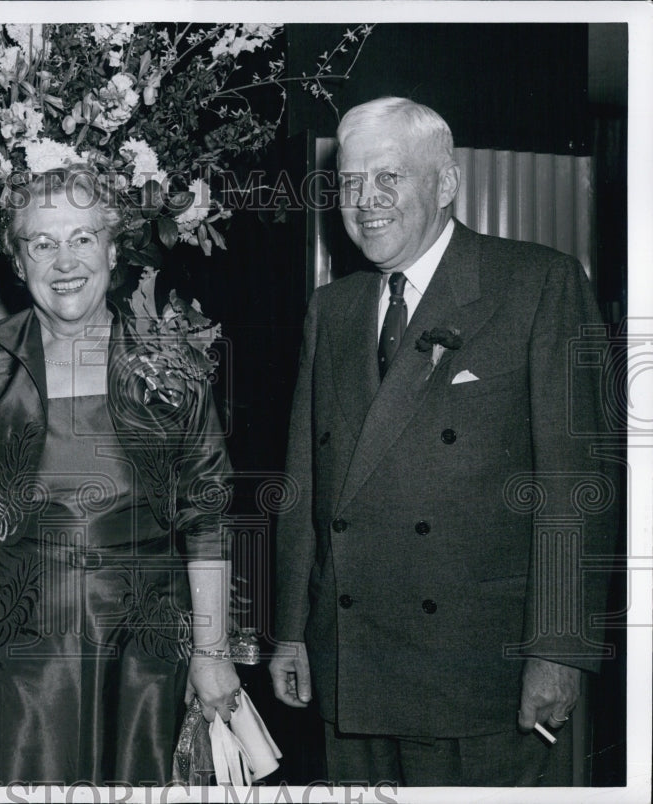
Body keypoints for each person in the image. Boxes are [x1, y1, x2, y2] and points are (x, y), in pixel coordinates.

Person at [269, 97, 617, 786]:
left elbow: (576, 484)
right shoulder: (332, 310)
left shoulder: (536, 284)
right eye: (349, 182)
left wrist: (560, 652)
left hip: (480, 669)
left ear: (446, 184)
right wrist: (290, 628)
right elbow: (305, 478)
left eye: (388, 178)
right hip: (353, 662)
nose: (364, 201)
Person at [0, 166, 241, 784]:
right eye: (43, 243)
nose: (64, 262)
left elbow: (207, 516)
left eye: (82, 239)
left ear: (113, 250)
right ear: (18, 258)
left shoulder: (169, 362)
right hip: (17, 657)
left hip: (143, 655)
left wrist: (213, 653)